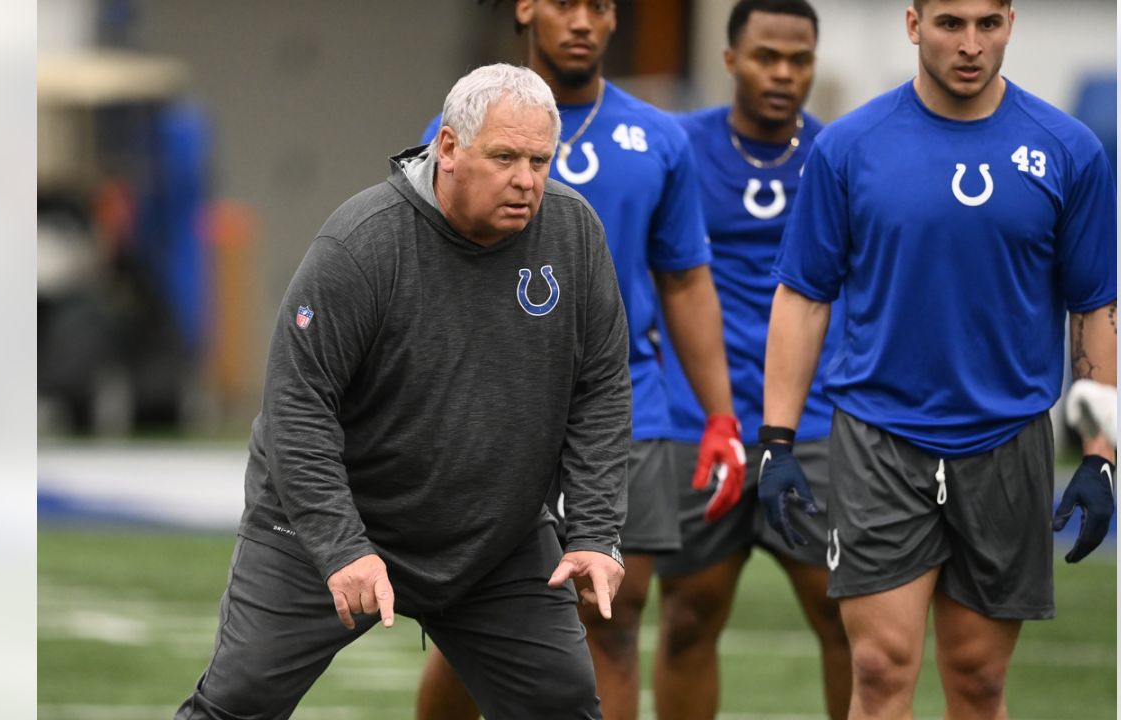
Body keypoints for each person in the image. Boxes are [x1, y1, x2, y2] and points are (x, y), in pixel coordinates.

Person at [174, 63, 632, 720]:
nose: (526, 181)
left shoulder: (574, 232)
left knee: (562, 703)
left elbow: (601, 390)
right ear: (448, 147)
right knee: (237, 702)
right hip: (327, 528)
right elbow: (297, 408)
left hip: (496, 540)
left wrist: (593, 531)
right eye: (504, 157)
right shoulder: (363, 243)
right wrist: (342, 547)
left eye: (539, 160)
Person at [760, 1, 1117, 719]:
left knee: (979, 678)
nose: (970, 43)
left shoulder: (1069, 149)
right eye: (951, 22)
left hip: (1008, 439)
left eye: (987, 23)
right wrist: (776, 441)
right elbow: (803, 298)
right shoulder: (850, 147)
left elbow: (1097, 307)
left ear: (1011, 23)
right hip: (878, 437)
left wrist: (1101, 452)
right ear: (914, 23)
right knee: (880, 668)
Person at [416, 3, 742, 719]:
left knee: (612, 619)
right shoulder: (463, 126)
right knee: (469, 620)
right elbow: (426, 271)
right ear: (526, 7)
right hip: (493, 414)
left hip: (628, 407)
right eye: (565, 2)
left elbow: (685, 280)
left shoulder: (661, 137)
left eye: (599, 6)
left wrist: (721, 416)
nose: (584, 21)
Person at [652, 2, 851, 719]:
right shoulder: (675, 147)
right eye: (767, 56)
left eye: (799, 60)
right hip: (698, 419)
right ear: (732, 59)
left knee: (844, 619)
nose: (784, 73)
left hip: (817, 420)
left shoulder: (840, 154)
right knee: (685, 619)